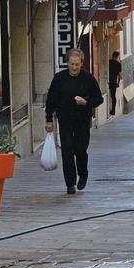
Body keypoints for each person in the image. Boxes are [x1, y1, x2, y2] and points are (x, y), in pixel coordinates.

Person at [45, 48, 103, 195]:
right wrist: (48, 119)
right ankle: (70, 183)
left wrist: (86, 102)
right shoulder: (59, 78)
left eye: (77, 64)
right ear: (67, 63)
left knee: (80, 149)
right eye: (72, 64)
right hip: (65, 120)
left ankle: (83, 173)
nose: (74, 67)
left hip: (82, 120)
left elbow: (99, 99)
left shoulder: (88, 78)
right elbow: (51, 99)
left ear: (81, 63)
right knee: (67, 150)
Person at [108, 51, 122, 116]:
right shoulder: (118, 64)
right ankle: (113, 111)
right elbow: (119, 75)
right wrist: (118, 83)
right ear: (117, 56)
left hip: (108, 81)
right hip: (114, 82)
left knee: (112, 96)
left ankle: (112, 110)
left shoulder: (109, 62)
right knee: (113, 96)